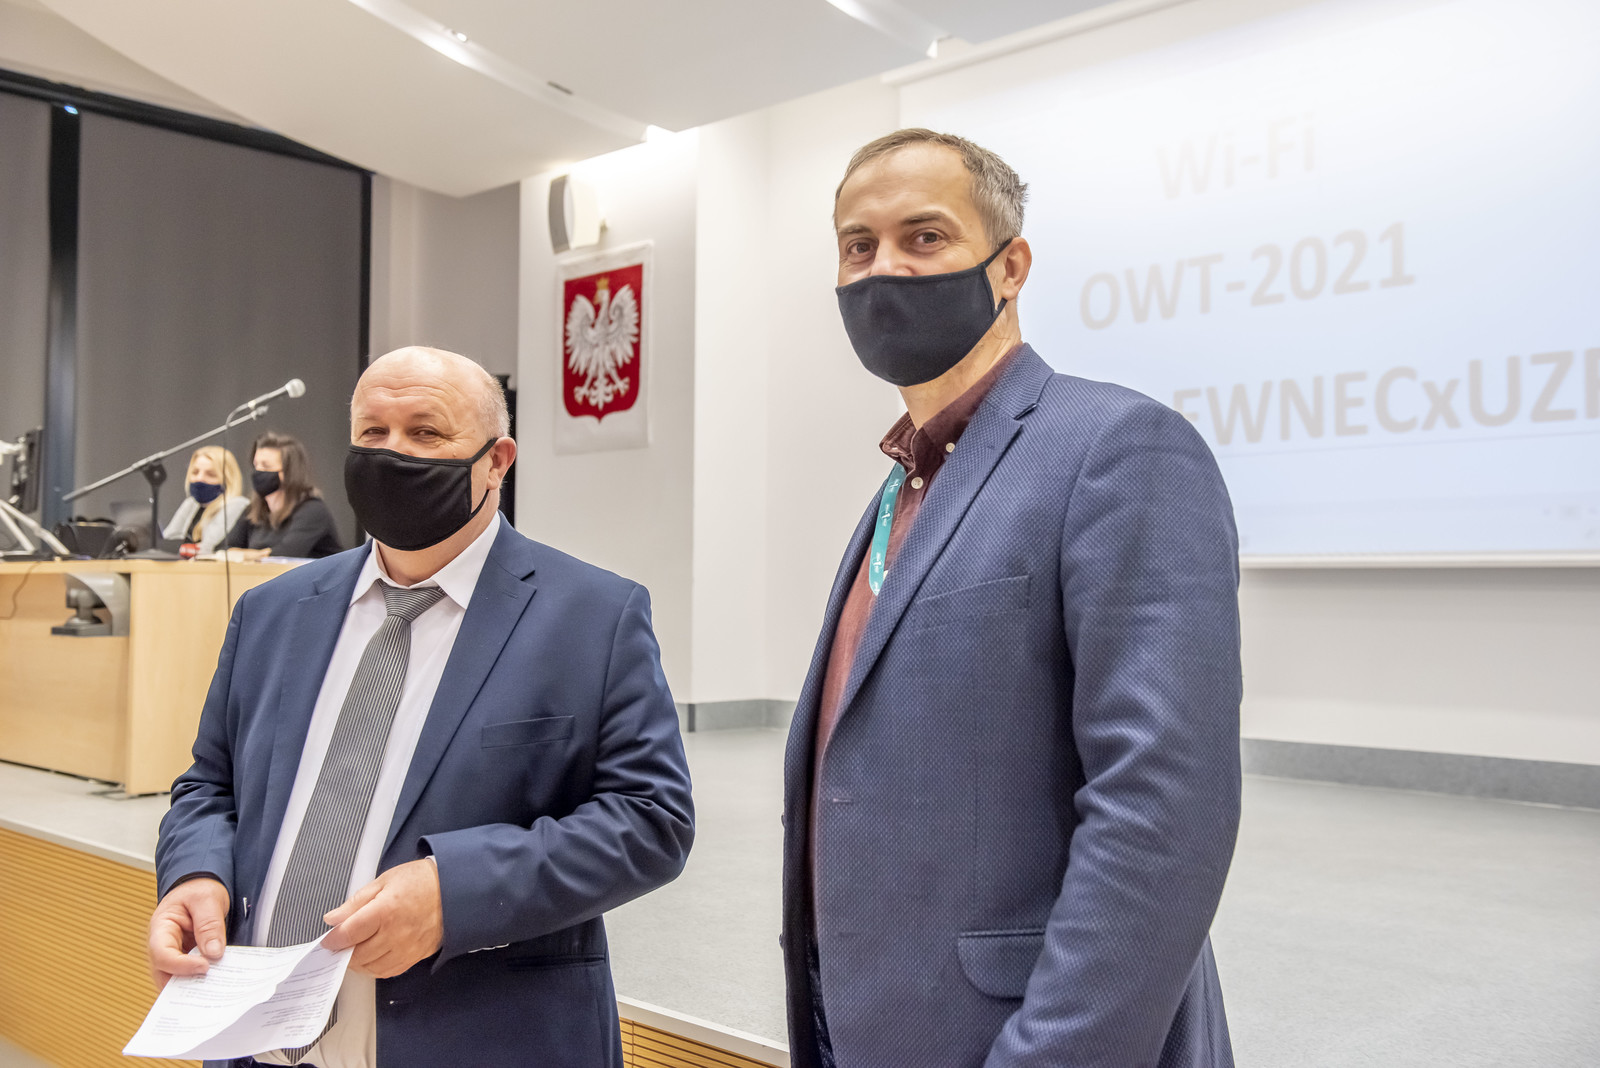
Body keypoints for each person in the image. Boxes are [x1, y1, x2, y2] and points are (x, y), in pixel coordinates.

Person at [781, 129, 1242, 1067]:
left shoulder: (1117, 447)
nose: (884, 269)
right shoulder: (903, 487)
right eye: (858, 246)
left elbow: (1161, 813)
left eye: (925, 237)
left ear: (1010, 266)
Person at [149, 346, 694, 1068]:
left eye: (426, 433)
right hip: (252, 1038)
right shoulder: (272, 612)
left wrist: (453, 892)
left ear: (497, 462)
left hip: (479, 1038)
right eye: (372, 433)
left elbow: (651, 819)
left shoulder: (593, 617)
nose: (393, 453)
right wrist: (195, 874)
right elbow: (208, 786)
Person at [224, 432, 343, 559]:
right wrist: (256, 555)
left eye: (266, 466)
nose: (258, 472)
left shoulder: (313, 510)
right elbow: (224, 550)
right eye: (256, 465)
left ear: (289, 472)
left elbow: (284, 555)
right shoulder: (252, 510)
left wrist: (243, 555)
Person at [162, 445, 250, 555]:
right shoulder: (191, 504)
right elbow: (167, 542)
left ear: (228, 479)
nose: (200, 478)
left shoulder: (237, 504)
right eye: (195, 472)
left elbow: (209, 548)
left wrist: (183, 549)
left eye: (211, 475)